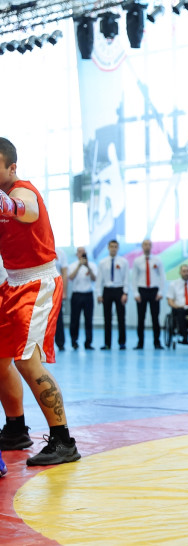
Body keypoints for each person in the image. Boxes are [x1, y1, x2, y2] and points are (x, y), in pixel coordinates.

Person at [0, 136, 81, 465]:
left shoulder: (23, 190)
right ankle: (16, 429)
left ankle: (63, 440)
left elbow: (26, 208)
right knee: (0, 359)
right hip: (11, 283)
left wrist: (8, 205)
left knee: (26, 360)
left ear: (12, 167)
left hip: (37, 283)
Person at [131, 239, 166, 350]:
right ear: (142, 246)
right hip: (142, 291)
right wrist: (135, 293)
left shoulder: (157, 260)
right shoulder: (137, 261)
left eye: (149, 245)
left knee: (155, 318)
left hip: (154, 291)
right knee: (141, 318)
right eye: (145, 245)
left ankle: (157, 342)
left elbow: (162, 276)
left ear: (151, 247)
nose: (147, 247)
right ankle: (140, 342)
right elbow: (134, 278)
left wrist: (160, 291)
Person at [97, 239, 129, 350]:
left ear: (118, 248)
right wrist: (99, 294)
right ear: (108, 248)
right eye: (111, 246)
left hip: (119, 290)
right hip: (107, 290)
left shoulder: (123, 262)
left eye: (115, 246)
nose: (113, 249)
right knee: (107, 318)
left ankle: (122, 342)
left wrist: (125, 293)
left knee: (121, 318)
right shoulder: (102, 262)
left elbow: (126, 278)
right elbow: (99, 279)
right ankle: (107, 343)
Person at [67, 246, 97, 350]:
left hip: (88, 295)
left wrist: (87, 266)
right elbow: (70, 278)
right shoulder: (72, 266)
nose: (82, 254)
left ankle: (88, 342)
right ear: (77, 254)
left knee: (88, 320)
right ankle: (74, 342)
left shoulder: (92, 265)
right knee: (74, 320)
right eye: (80, 252)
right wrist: (79, 265)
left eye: (83, 252)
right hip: (76, 295)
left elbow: (94, 278)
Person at [54, 248, 68, 351]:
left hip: (56, 290)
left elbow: (64, 273)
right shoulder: (38, 249)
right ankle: (42, 345)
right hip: (42, 289)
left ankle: (60, 343)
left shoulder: (60, 253)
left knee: (58, 318)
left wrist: (64, 292)